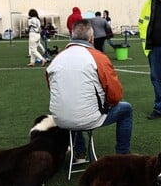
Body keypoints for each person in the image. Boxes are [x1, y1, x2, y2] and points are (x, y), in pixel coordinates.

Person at [46, 19, 133, 160]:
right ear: (91, 39)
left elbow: (52, 88)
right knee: (126, 110)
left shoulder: (57, 58)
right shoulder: (98, 58)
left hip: (60, 118)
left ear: (71, 36)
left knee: (72, 105)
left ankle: (79, 152)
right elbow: (115, 95)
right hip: (86, 117)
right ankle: (122, 156)